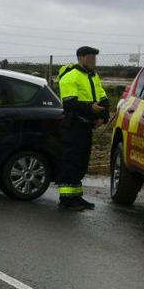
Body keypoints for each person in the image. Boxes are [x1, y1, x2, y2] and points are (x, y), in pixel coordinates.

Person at [56, 45, 108, 211]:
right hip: (73, 125)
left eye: (95, 57)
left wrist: (103, 116)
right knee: (71, 162)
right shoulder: (71, 76)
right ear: (82, 57)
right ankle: (66, 200)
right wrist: (90, 109)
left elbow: (103, 97)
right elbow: (70, 103)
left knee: (81, 163)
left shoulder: (93, 76)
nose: (94, 60)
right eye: (91, 57)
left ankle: (76, 197)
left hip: (86, 126)